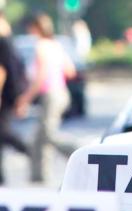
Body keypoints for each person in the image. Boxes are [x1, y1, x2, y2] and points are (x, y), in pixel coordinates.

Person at [15, 13, 77, 183]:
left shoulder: (41, 46)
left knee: (48, 134)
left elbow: (40, 77)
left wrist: (26, 98)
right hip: (61, 93)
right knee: (40, 137)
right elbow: (70, 70)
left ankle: (78, 152)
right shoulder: (55, 45)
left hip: (50, 94)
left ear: (36, 28)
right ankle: (39, 176)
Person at [0, 13, 29, 185]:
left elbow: (2, 71)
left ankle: (27, 149)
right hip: (11, 94)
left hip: (6, 95)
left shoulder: (3, 43)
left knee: (3, 132)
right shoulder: (10, 43)